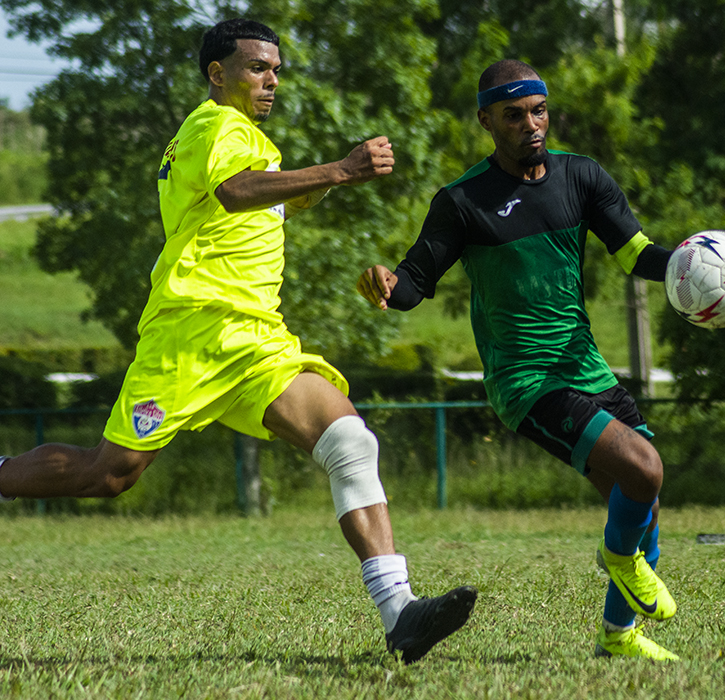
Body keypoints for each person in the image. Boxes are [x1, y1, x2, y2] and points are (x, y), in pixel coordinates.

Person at [0, 18, 475, 665]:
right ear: (216, 74)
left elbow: (260, 198)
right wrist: (341, 167)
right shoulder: (212, 126)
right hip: (191, 338)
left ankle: (401, 614)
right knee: (108, 474)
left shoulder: (247, 139)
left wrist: (327, 183)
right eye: (256, 67)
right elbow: (234, 192)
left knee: (349, 442)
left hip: (256, 342)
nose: (271, 79)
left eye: (276, 68)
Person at [357, 59, 679, 661]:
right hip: (525, 381)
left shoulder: (581, 177)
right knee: (646, 468)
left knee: (641, 502)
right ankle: (617, 559)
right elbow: (412, 284)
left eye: (538, 110)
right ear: (487, 120)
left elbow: (634, 252)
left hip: (586, 366)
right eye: (513, 115)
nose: (531, 124)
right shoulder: (462, 201)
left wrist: (687, 261)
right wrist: (382, 282)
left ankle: (619, 636)